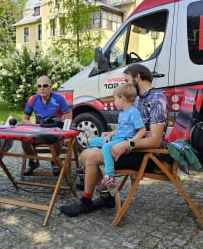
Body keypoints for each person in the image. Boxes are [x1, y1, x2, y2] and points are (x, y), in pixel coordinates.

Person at [60, 64, 169, 217]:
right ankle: (105, 197)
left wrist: (127, 144)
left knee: (90, 156)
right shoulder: (138, 99)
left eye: (127, 81)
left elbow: (156, 141)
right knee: (85, 153)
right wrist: (113, 133)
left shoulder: (157, 99)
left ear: (137, 77)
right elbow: (130, 127)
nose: (125, 85)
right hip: (132, 147)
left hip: (147, 154)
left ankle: (87, 201)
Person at [89, 83, 146, 192]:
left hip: (124, 140)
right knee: (93, 141)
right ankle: (90, 163)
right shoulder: (122, 113)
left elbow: (142, 130)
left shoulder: (134, 112)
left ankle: (109, 178)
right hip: (117, 137)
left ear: (122, 98)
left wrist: (131, 142)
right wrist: (110, 134)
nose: (114, 102)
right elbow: (120, 129)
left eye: (115, 99)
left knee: (106, 147)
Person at [21, 75, 72, 176]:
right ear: (37, 88)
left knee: (58, 137)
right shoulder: (32, 99)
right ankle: (33, 161)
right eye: (39, 86)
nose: (42, 88)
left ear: (50, 87)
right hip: (38, 132)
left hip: (54, 131)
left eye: (45, 85)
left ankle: (55, 161)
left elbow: (68, 118)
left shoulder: (59, 99)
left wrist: (66, 136)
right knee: (24, 138)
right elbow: (24, 119)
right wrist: (32, 125)